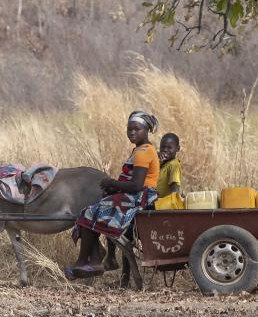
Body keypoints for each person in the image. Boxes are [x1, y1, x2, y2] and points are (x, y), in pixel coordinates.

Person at [67, 111, 160, 279]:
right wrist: (114, 189)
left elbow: (136, 185)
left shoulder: (143, 151)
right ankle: (96, 259)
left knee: (88, 212)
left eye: (136, 129)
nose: (132, 132)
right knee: (95, 208)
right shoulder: (140, 149)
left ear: (147, 130)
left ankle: (83, 262)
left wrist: (112, 183)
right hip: (137, 195)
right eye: (129, 129)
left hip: (139, 197)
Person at [156, 132, 183, 198]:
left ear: (177, 149)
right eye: (163, 147)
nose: (165, 150)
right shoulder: (162, 162)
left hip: (164, 205)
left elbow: (175, 188)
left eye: (169, 148)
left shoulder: (174, 165)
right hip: (156, 203)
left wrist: (173, 202)